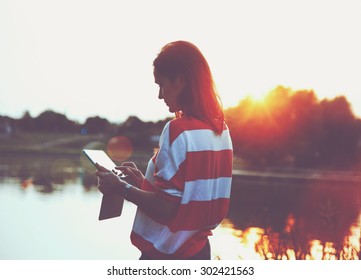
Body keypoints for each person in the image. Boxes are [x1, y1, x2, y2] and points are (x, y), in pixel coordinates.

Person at [96, 40, 233, 260]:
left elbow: (165, 209)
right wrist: (143, 181)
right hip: (199, 252)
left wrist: (120, 187)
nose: (160, 95)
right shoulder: (221, 130)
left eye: (161, 84)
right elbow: (187, 198)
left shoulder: (177, 130)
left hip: (168, 255)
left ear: (180, 81)